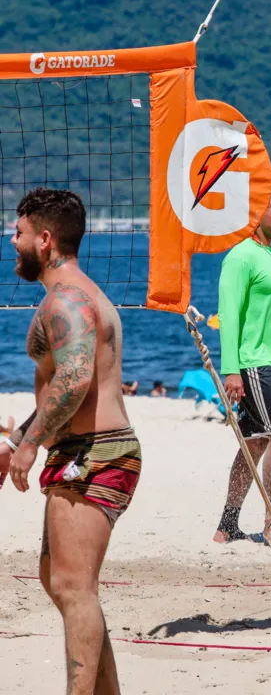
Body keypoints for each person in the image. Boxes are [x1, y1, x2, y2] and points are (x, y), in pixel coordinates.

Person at [0, 188, 140, 694]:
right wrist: (18, 439)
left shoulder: (68, 302)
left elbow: (75, 378)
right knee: (58, 582)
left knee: (72, 587)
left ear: (44, 239)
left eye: (17, 233)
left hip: (96, 453)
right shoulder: (72, 296)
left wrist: (31, 444)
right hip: (84, 450)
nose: (10, 241)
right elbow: (68, 387)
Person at [212, 194, 271, 546]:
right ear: (255, 215)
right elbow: (229, 314)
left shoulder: (270, 254)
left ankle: (227, 526)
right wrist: (231, 371)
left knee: (255, 444)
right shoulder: (240, 256)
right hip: (254, 363)